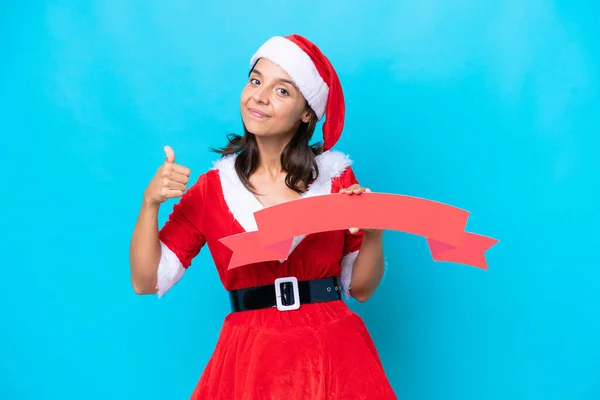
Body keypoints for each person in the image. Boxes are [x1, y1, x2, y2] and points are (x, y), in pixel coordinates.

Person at [129, 34, 397, 399]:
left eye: (282, 90)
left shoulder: (337, 181)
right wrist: (150, 205)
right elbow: (148, 281)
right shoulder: (212, 190)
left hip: (332, 349)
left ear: (308, 112)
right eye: (256, 81)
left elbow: (360, 289)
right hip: (251, 356)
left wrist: (375, 234)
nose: (259, 95)